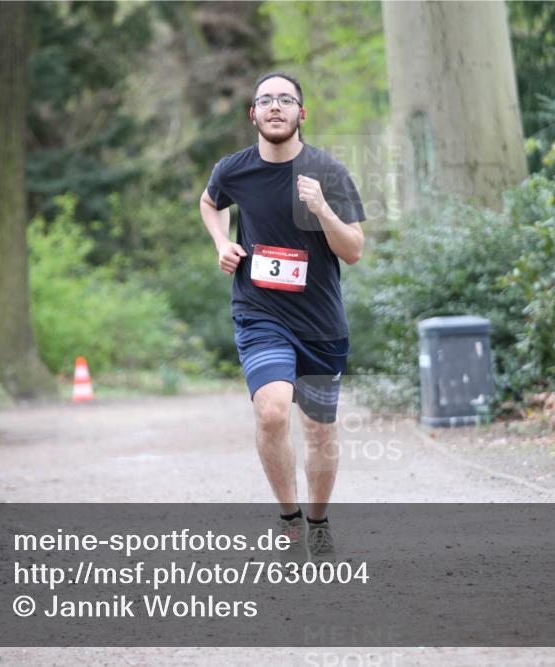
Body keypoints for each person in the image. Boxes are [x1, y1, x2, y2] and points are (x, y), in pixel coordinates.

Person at [199, 72, 365, 560]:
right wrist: (222, 242)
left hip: (320, 323)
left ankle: (318, 521)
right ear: (253, 114)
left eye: (286, 100)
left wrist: (323, 210)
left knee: (319, 429)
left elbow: (354, 250)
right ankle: (290, 518)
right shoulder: (233, 170)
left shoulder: (328, 172)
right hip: (260, 313)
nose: (275, 106)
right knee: (272, 411)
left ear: (301, 113)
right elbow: (210, 203)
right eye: (266, 100)